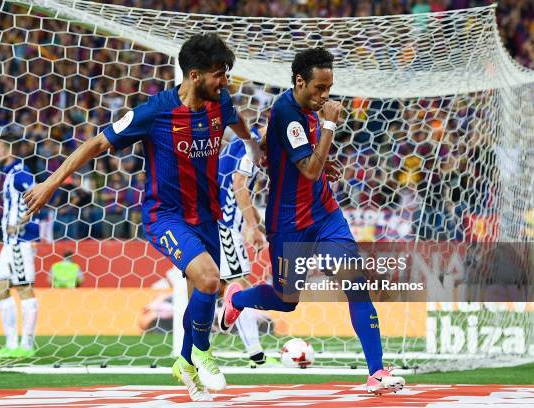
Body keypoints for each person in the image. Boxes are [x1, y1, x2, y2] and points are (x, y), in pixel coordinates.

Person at [23, 33, 263, 402]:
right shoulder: (155, 111)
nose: (225, 81)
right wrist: (51, 184)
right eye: (219, 74)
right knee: (211, 280)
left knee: (201, 291)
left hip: (206, 215)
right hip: (164, 216)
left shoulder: (222, 103)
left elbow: (242, 126)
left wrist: (254, 146)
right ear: (195, 75)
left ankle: (184, 363)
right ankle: (202, 354)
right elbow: (97, 143)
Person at [218, 48, 405, 394]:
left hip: (325, 214)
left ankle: (376, 372)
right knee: (287, 299)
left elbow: (302, 160)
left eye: (329, 88)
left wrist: (322, 161)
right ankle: (237, 300)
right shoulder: (288, 112)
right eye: (319, 88)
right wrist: (331, 126)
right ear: (299, 82)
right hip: (289, 223)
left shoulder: (308, 108)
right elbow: (307, 168)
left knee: (354, 282)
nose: (325, 96)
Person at [217, 126, 279, 368]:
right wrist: (252, 228)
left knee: (220, 288)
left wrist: (259, 226)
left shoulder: (243, 142)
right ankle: (256, 356)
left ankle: (196, 350)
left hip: (221, 225)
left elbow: (241, 194)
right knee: (238, 288)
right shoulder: (251, 149)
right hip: (225, 228)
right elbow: (239, 187)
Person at [0, 135, 40, 359]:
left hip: (20, 241)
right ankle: (11, 344)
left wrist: (21, 224)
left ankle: (27, 344)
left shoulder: (21, 173)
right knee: (1, 288)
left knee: (23, 289)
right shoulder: (9, 174)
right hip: (8, 243)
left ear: (9, 149)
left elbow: (38, 198)